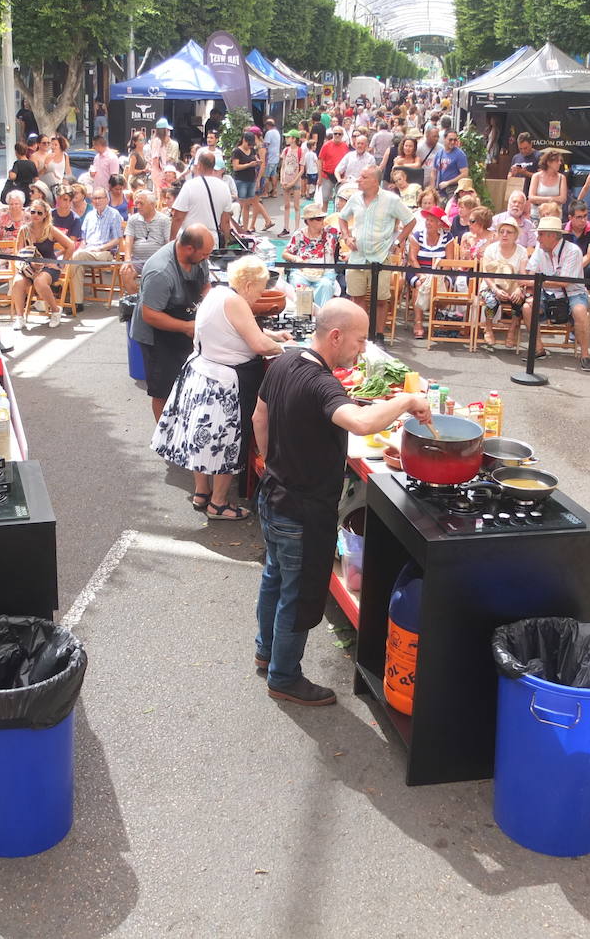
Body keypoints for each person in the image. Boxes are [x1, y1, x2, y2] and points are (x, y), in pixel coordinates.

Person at [251, 299, 431, 705]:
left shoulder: (283, 361)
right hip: (303, 509)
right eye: (360, 339)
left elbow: (259, 417)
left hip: (273, 495)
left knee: (274, 578)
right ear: (335, 336)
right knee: (297, 595)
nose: (363, 348)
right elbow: (363, 423)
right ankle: (284, 676)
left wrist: (274, 462)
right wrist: (407, 400)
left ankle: (266, 651)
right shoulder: (322, 384)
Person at [152, 255, 290, 522]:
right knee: (225, 442)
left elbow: (232, 329)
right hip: (223, 382)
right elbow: (259, 346)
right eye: (260, 288)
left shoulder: (217, 293)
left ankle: (202, 492)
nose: (260, 294)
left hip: (202, 373)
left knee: (204, 440)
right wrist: (285, 349)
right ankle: (219, 504)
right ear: (249, 284)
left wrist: (271, 335)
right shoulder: (236, 301)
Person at [133, 225, 214, 420]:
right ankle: (164, 438)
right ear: (189, 249)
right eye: (204, 254)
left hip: (184, 324)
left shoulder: (198, 259)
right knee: (163, 390)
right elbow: (150, 314)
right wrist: (186, 327)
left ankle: (183, 428)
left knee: (187, 384)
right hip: (156, 335)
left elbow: (205, 285)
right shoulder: (160, 271)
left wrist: (208, 305)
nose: (206, 258)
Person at [338, 167, 415, 339]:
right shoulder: (355, 199)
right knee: (356, 299)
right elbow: (342, 217)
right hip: (357, 258)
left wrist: (397, 241)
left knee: (380, 300)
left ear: (374, 181)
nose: (359, 179)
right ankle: (359, 336)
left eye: (363, 177)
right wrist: (346, 237)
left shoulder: (391, 200)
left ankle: (379, 336)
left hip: (380, 258)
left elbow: (411, 220)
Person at [520, 216, 590, 371]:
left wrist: (535, 281)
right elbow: (530, 273)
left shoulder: (573, 251)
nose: (538, 238)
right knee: (527, 307)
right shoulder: (540, 250)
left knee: (580, 311)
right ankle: (538, 348)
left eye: (540, 234)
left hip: (572, 294)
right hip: (547, 293)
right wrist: (533, 280)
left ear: (552, 236)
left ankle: (585, 355)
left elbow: (564, 282)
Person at [10, 198, 73, 329]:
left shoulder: (50, 230)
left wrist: (61, 265)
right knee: (17, 281)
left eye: (39, 213)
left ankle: (55, 310)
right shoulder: (24, 230)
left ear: (45, 215)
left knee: (40, 282)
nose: (36, 215)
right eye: (33, 212)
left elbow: (70, 245)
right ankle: (20, 317)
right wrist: (27, 265)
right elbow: (18, 252)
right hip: (28, 268)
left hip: (48, 267)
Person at [68, 187, 124, 308]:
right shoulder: (90, 216)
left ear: (107, 199)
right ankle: (77, 303)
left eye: (100, 198)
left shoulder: (114, 215)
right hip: (87, 252)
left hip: (105, 252)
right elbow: (83, 239)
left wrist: (100, 248)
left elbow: (117, 240)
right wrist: (80, 249)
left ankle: (61, 288)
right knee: (76, 262)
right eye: (94, 198)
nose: (97, 201)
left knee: (76, 258)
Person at [479, 218, 526, 351]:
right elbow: (486, 274)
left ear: (515, 235)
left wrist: (519, 289)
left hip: (513, 286)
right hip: (491, 285)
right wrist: (495, 289)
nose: (504, 235)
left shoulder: (522, 251)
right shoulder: (490, 249)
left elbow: (523, 274)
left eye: (509, 232)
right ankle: (488, 328)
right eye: (502, 231)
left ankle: (511, 331)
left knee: (519, 300)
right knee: (491, 300)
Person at [406, 206, 452, 339]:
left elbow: (449, 262)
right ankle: (418, 323)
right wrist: (421, 275)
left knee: (444, 288)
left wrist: (438, 276)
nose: (428, 223)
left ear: (439, 224)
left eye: (432, 220)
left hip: (441, 273)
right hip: (417, 270)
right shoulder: (417, 236)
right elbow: (412, 258)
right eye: (427, 220)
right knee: (419, 285)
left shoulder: (447, 237)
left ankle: (438, 318)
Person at [171, 150, 233, 247]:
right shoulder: (224, 187)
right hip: (211, 240)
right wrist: (225, 242)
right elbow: (225, 221)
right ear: (213, 166)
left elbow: (178, 217)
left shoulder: (190, 185)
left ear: (199, 165)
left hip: (190, 240)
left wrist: (171, 241)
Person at [120, 189, 169, 295]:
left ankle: (149, 302)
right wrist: (127, 259)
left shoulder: (164, 220)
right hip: (137, 260)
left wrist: (165, 261)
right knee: (125, 272)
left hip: (157, 261)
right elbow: (128, 240)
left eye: (141, 203)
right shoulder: (133, 219)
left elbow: (168, 243)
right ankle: (137, 301)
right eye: (136, 203)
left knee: (158, 276)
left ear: (152, 204)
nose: (137, 206)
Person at [283, 203, 339, 288]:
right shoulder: (299, 234)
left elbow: (347, 234)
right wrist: (296, 258)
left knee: (325, 285)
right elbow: (285, 254)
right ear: (308, 221)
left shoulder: (331, 232)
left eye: (322, 218)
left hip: (325, 272)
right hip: (302, 272)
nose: (322, 221)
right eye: (318, 219)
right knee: (298, 284)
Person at [564, 201, 590, 290]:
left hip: (583, 266)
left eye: (585, 216)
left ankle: (582, 289)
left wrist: (573, 271)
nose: (583, 220)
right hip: (564, 266)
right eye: (579, 217)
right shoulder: (561, 229)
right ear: (570, 218)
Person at [230, 132, 262, 231]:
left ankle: (245, 227)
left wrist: (257, 163)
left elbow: (255, 158)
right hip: (241, 180)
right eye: (249, 144)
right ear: (244, 140)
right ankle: (237, 226)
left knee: (247, 205)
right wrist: (249, 165)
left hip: (251, 179)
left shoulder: (252, 150)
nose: (250, 146)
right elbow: (236, 167)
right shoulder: (237, 151)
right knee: (240, 204)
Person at [276, 130, 303, 237]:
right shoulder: (286, 150)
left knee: (296, 205)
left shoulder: (300, 151)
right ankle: (286, 227)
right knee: (286, 205)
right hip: (286, 181)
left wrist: (293, 182)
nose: (287, 139)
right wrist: (282, 179)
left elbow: (301, 169)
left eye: (289, 137)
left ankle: (297, 229)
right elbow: (283, 166)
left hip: (295, 181)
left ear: (294, 139)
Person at [528, 149, 568, 220]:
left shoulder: (562, 178)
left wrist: (541, 199)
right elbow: (531, 197)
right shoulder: (536, 176)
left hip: (555, 217)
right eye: (557, 161)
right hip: (536, 216)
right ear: (549, 163)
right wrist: (551, 199)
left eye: (560, 161)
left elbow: (563, 199)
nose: (560, 163)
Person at [317, 126, 349, 206]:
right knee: (325, 200)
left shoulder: (345, 146)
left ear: (342, 135)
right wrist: (319, 177)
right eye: (335, 134)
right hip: (327, 176)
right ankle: (324, 218)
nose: (337, 135)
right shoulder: (326, 145)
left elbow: (347, 162)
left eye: (339, 134)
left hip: (340, 177)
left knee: (340, 201)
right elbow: (319, 161)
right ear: (333, 134)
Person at [147, 120, 180, 195]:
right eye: (166, 129)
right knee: (160, 193)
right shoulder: (157, 141)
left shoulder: (159, 141)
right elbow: (155, 158)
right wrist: (161, 171)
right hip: (158, 171)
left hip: (160, 170)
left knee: (160, 193)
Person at [435, 130, 469, 196]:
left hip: (453, 189)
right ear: (444, 139)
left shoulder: (460, 154)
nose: (453, 142)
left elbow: (465, 174)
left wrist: (448, 183)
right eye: (450, 140)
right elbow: (434, 171)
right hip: (440, 191)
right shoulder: (439, 153)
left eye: (455, 140)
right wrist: (433, 187)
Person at [262, 118, 282, 198]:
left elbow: (266, 145)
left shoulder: (269, 133)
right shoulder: (277, 132)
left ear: (268, 125)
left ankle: (266, 192)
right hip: (276, 156)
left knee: (266, 175)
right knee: (273, 174)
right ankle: (274, 192)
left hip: (269, 157)